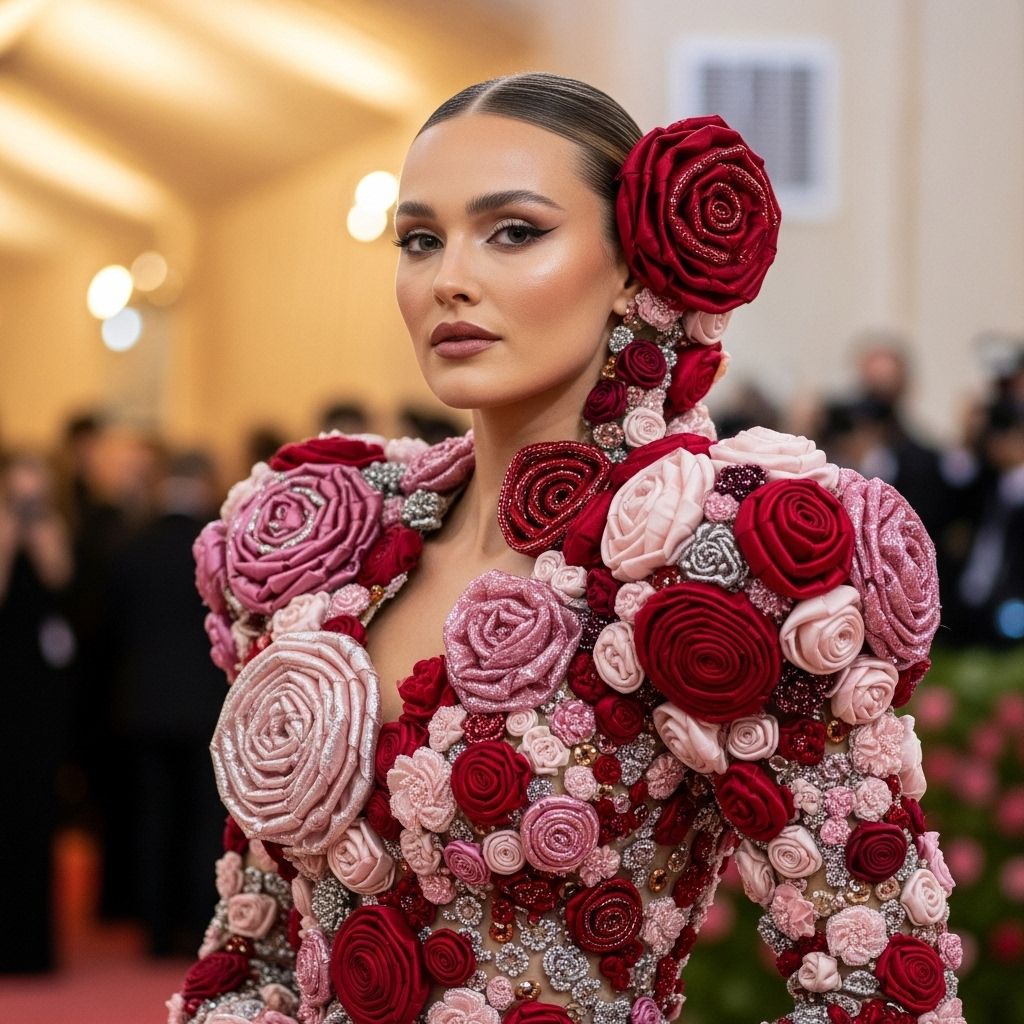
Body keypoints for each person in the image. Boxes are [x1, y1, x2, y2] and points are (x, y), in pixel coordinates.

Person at [172, 74, 964, 1024]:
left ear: (632, 265)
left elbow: (886, 982)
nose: (448, 278)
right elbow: (254, 945)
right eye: (421, 239)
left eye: (514, 231)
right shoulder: (329, 540)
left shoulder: (714, 557)